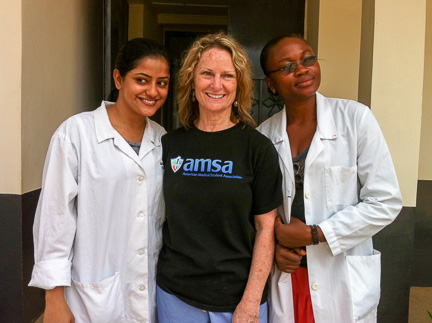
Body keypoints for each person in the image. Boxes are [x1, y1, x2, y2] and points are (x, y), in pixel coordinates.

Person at [257, 35, 402, 323]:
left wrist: (316, 234)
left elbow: (386, 201)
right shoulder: (263, 135)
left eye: (308, 58)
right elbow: (259, 208)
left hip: (342, 276)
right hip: (289, 275)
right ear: (270, 83)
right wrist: (276, 249)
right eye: (287, 66)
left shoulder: (355, 119)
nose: (302, 69)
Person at [29, 38, 170, 323]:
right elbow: (56, 218)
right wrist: (53, 298)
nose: (153, 92)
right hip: (92, 299)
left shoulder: (163, 139)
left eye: (162, 83)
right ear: (118, 78)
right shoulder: (76, 133)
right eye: (142, 80)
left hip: (151, 294)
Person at [156, 33, 283, 323]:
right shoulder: (169, 145)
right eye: (207, 74)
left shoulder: (257, 148)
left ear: (239, 85)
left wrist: (251, 301)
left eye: (227, 75)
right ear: (191, 81)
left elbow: (266, 229)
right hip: (176, 295)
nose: (216, 84)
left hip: (238, 299)